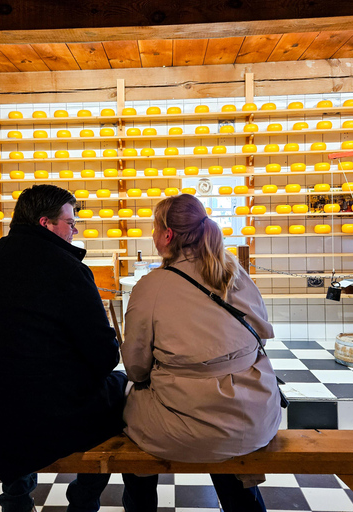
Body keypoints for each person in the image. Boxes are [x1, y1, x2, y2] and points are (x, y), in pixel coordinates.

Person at [0, 184, 127, 512]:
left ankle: (16, 499)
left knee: (10, 386)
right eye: (71, 223)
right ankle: (84, 499)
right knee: (123, 389)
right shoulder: (68, 270)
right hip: (40, 420)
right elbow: (104, 357)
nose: (74, 231)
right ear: (46, 224)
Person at [121, 194, 282, 512]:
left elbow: (136, 368)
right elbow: (263, 332)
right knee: (225, 439)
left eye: (154, 229)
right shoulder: (234, 273)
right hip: (254, 415)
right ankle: (243, 504)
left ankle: (140, 506)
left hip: (187, 426)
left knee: (132, 419)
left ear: (167, 235)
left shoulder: (151, 287)